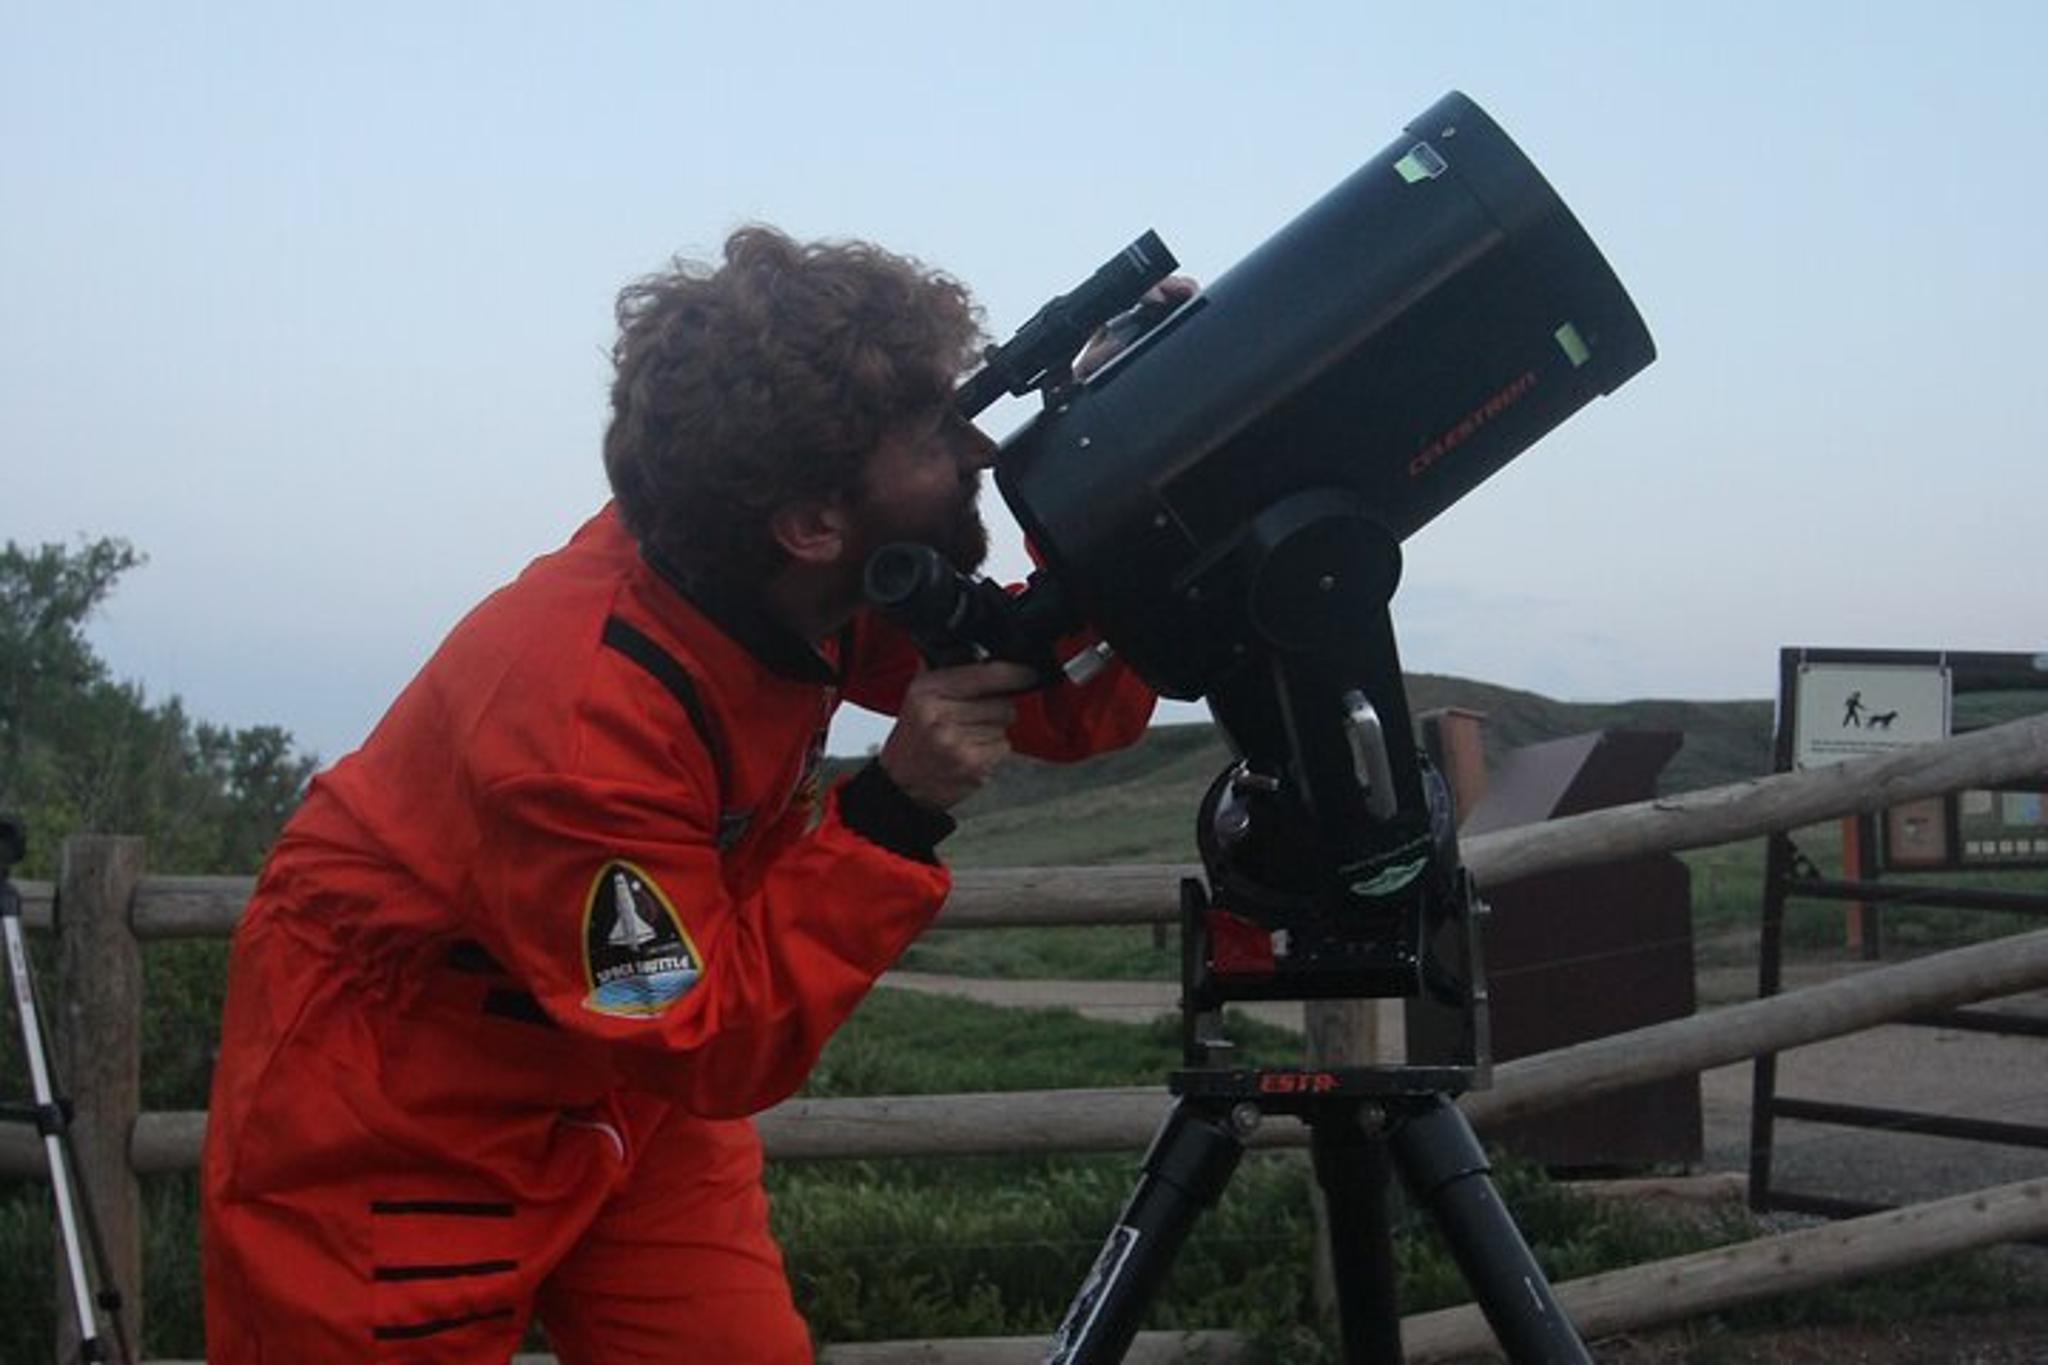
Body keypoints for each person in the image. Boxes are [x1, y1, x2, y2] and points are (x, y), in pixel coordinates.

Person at [200, 226, 1163, 1362]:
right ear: (813, 523)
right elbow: (703, 1039)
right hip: (395, 1090)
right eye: (933, 434)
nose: (979, 450)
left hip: (631, 1080)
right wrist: (894, 810)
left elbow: (1057, 704)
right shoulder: (575, 718)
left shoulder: (793, 582)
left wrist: (1151, 458)